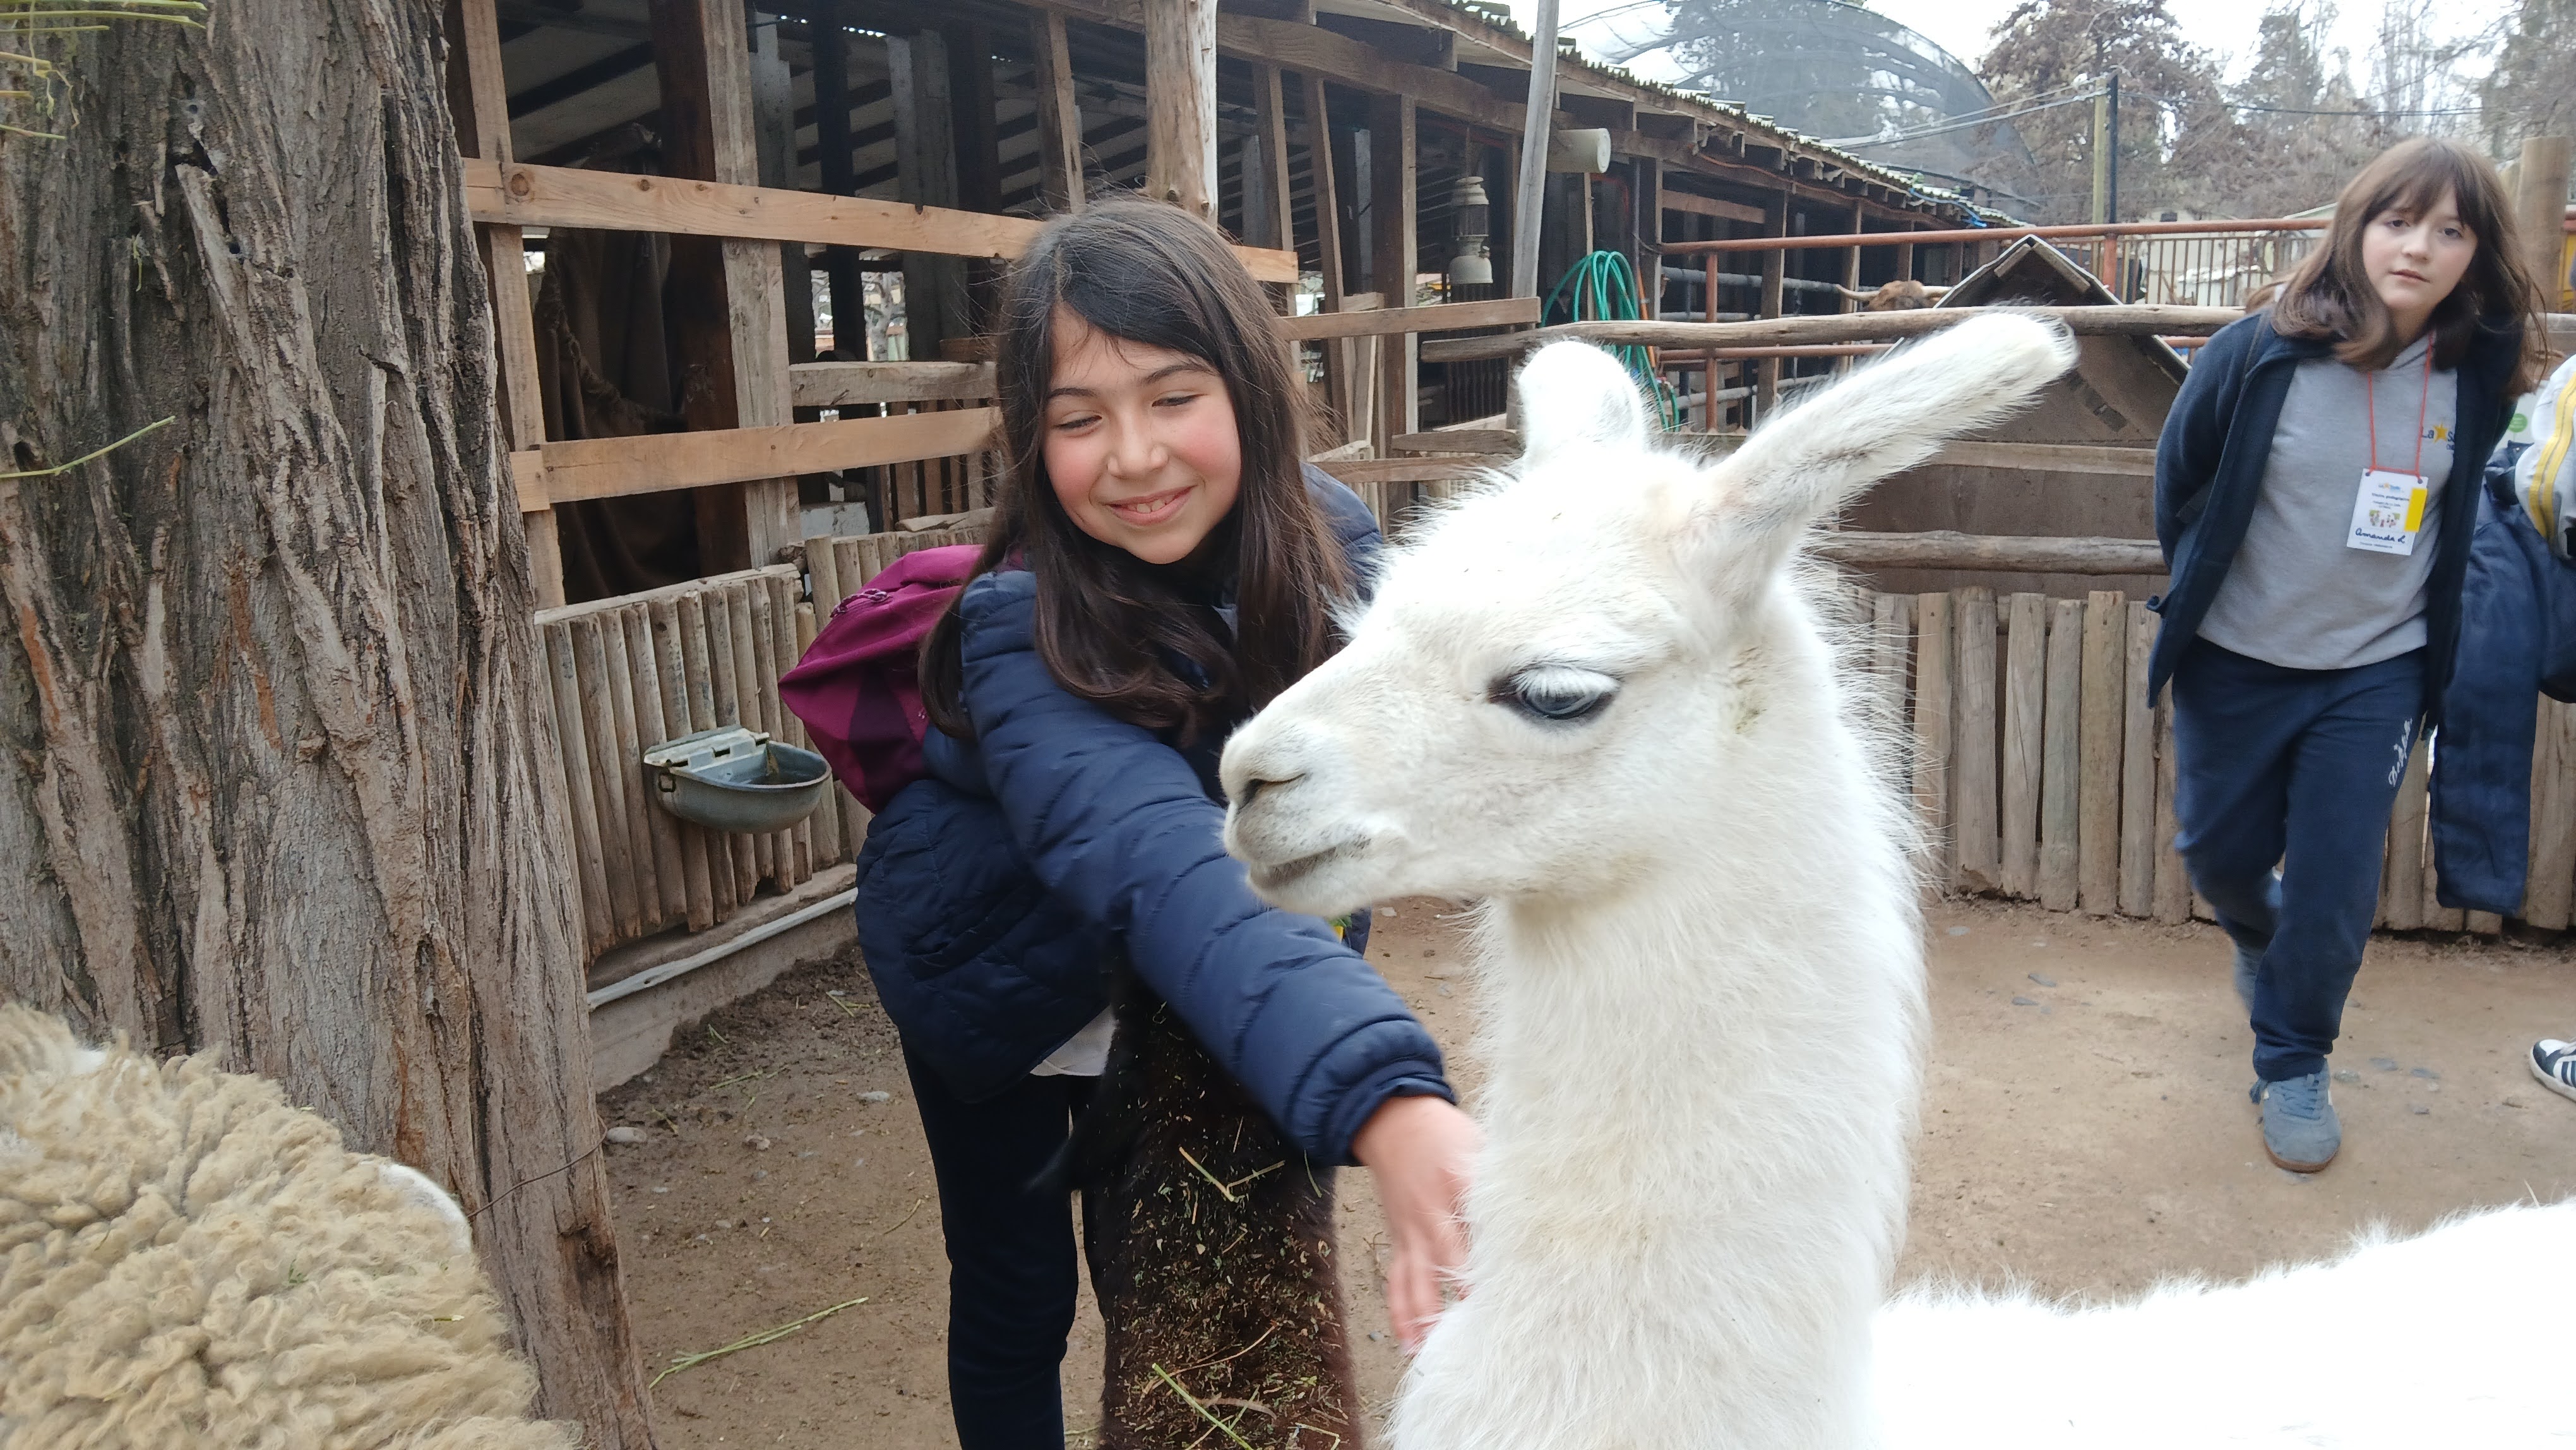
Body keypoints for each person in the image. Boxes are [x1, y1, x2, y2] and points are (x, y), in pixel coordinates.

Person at [850, 196, 1478, 1449]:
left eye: (1172, 395)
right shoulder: (1015, 632)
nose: (1132, 455)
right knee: (1018, 1288)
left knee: (1186, 1269)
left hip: (1202, 980)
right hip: (1001, 985)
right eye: (1079, 419)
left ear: (1250, 384)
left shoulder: (1336, 557)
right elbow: (1163, 856)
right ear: (1033, 442)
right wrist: (1385, 1092)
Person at [2144, 137, 2546, 1173]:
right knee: (2220, 857)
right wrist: (2206, 588)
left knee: (2333, 885)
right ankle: (2256, 934)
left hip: (2378, 668)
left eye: (2451, 230)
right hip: (2237, 657)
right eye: (2398, 220)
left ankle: (2292, 1056)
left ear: (2477, 250)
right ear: (2356, 228)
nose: (2419, 247)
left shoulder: (2480, 373)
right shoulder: (2256, 353)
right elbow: (2179, 481)